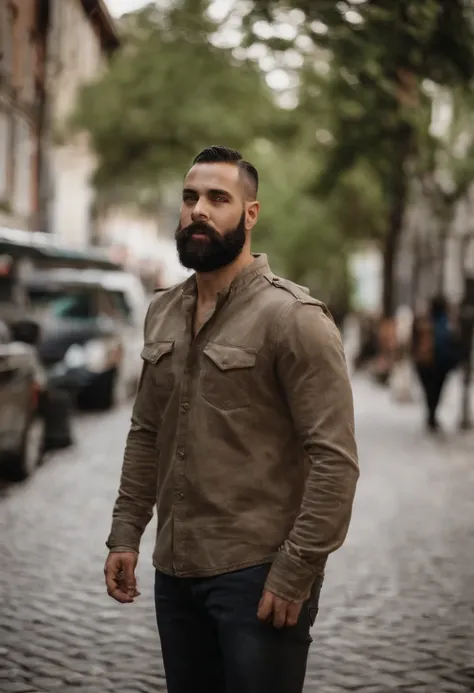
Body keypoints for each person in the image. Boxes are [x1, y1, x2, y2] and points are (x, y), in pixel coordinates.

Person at [104, 146, 359, 693]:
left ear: (250, 214)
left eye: (218, 199)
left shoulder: (294, 319)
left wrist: (296, 571)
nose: (199, 210)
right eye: (190, 197)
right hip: (175, 574)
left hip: (257, 574)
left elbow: (334, 463)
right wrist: (126, 535)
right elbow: (147, 432)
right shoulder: (163, 310)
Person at [412, 295, 461, 432]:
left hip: (428, 364)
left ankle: (431, 416)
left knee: (430, 392)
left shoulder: (427, 321)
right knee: (435, 391)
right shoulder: (445, 322)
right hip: (439, 364)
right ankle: (432, 416)